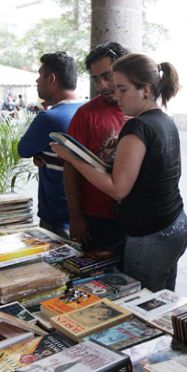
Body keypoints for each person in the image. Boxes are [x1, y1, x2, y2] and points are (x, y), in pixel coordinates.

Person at [52, 53, 187, 292]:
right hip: (175, 223)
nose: (116, 97)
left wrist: (72, 157)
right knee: (165, 298)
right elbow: (174, 172)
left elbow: (118, 189)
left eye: (122, 90)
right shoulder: (165, 120)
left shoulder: (138, 126)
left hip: (150, 234)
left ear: (146, 90)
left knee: (144, 302)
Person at [64, 42, 130, 259]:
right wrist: (76, 217)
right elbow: (70, 167)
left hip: (135, 218)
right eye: (96, 79)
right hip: (98, 217)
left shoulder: (142, 109)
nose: (102, 85)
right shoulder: (86, 114)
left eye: (108, 76)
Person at [18, 51, 84, 238]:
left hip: (56, 216)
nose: (37, 81)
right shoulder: (87, 111)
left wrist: (39, 154)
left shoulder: (49, 118)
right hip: (84, 214)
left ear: (51, 79)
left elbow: (23, 150)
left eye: (39, 75)